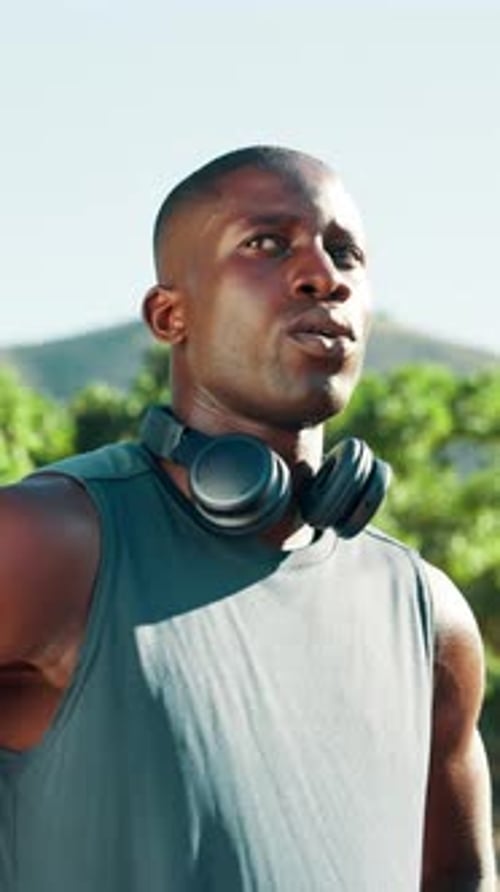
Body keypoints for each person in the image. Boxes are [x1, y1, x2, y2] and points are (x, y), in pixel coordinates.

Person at [0, 146, 496, 891]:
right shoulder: (43, 545)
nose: (323, 275)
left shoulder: (430, 618)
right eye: (265, 243)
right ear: (171, 314)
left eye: (344, 253)